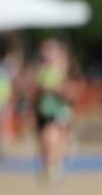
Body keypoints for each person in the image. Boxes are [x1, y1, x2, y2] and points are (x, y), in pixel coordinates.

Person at [32, 39, 77, 184]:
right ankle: (50, 165)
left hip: (58, 109)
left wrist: (56, 89)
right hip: (43, 109)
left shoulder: (65, 68)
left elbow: (72, 89)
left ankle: (54, 166)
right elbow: (36, 91)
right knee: (45, 140)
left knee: (54, 137)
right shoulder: (41, 70)